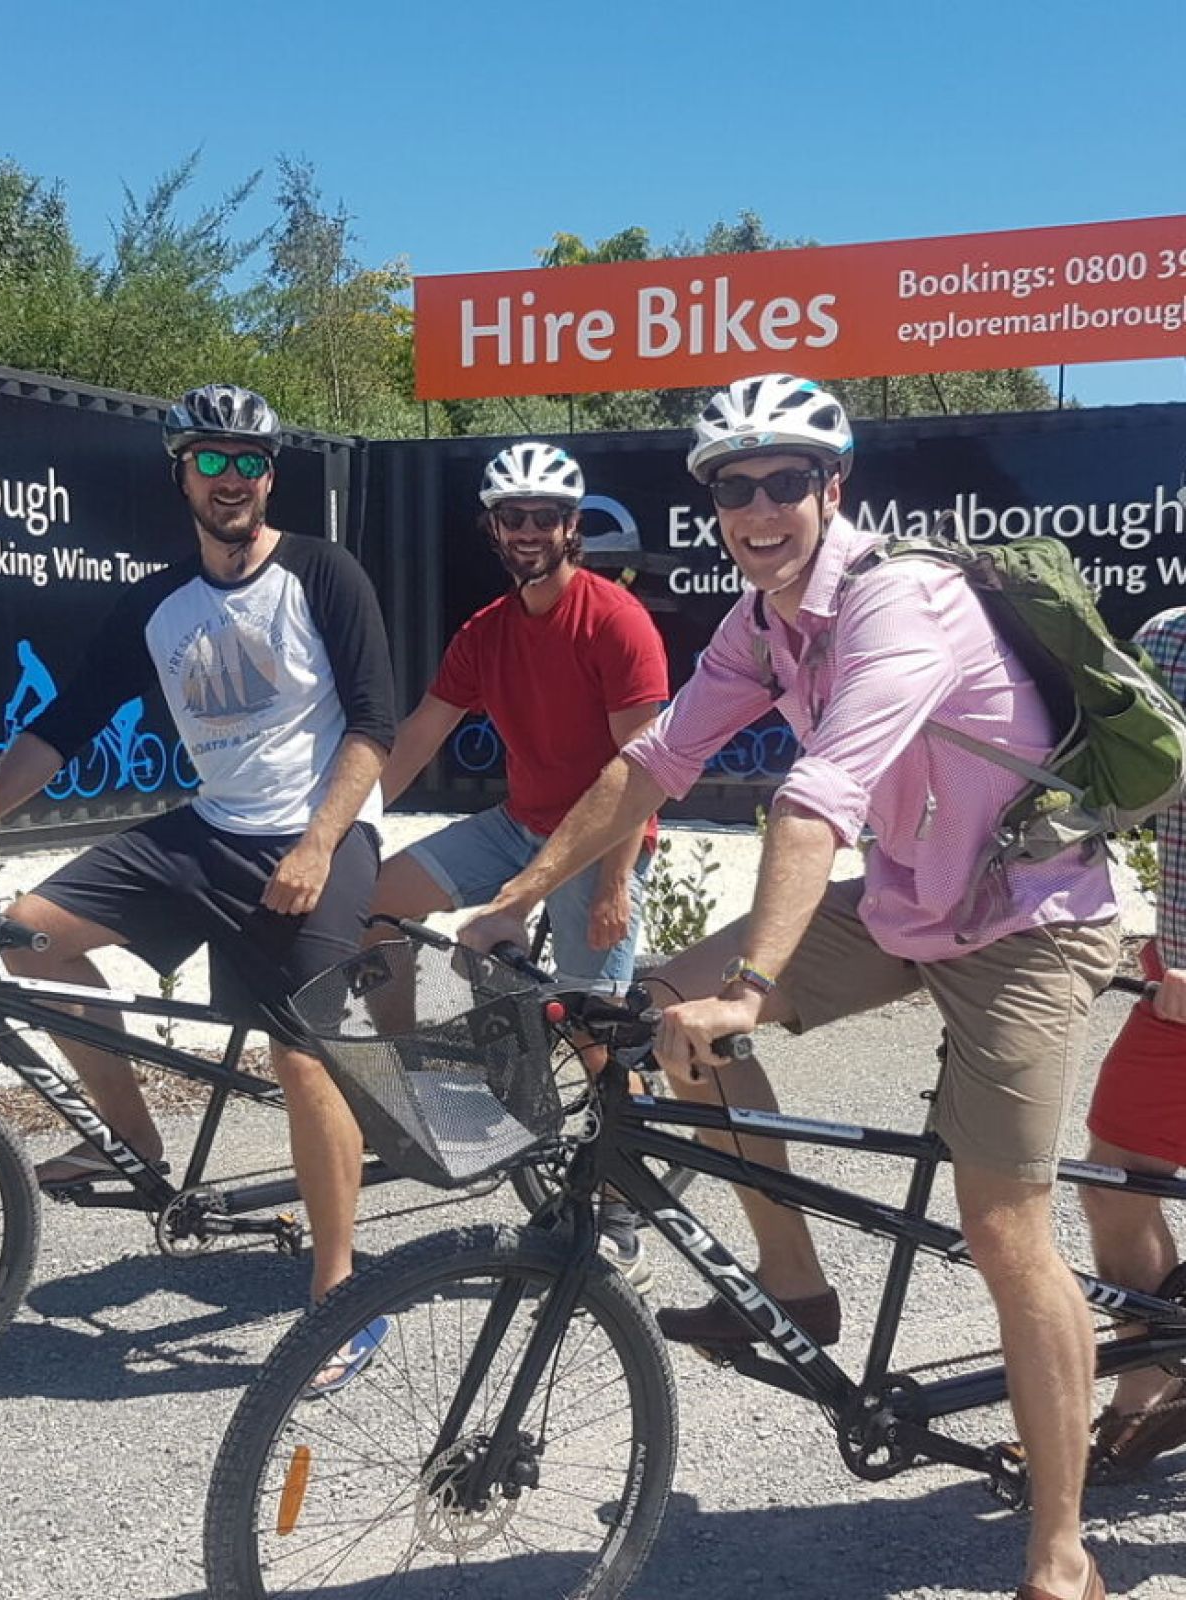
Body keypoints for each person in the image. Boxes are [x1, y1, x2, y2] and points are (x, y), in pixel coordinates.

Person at [461, 373, 1119, 1600]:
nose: (756, 508)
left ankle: (1060, 1548)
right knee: (654, 1000)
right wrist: (509, 901)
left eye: (782, 482)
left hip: (1028, 922)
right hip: (912, 899)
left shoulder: (900, 603)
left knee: (1003, 1226)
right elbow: (651, 761)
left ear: (833, 487)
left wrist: (755, 981)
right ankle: (795, 1278)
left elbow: (816, 799)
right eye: (731, 488)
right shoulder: (764, 619)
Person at [0, 383, 395, 1379]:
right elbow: (62, 724)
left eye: (249, 461)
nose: (232, 478)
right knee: (29, 936)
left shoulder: (322, 573)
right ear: (182, 474)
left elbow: (376, 726)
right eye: (211, 460)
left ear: (270, 474)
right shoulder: (160, 605)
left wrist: (315, 846)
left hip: (322, 835)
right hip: (208, 831)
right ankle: (132, 1141)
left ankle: (341, 1295)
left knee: (305, 1056)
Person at [368, 439, 669, 1283]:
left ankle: (620, 1215)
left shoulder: (616, 621)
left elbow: (642, 773)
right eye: (514, 517)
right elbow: (419, 734)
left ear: (573, 526)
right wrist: (345, 831)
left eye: (545, 516)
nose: (529, 530)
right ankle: (407, 1094)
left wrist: (613, 884)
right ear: (492, 528)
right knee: (373, 901)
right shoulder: (487, 630)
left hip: (603, 838)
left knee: (595, 1025)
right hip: (515, 825)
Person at [1082, 602, 1186, 1479]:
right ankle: (1147, 1388)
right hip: (1178, 980)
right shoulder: (1166, 641)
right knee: (1116, 1178)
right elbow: (1105, 787)